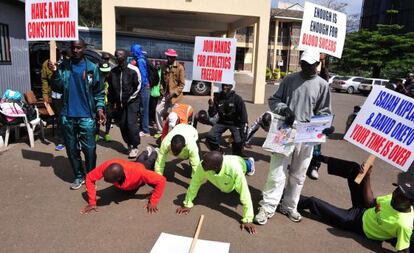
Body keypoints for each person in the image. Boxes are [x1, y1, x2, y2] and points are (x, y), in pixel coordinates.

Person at [254, 48, 331, 224]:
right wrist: (285, 109)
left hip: (307, 134)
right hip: (285, 130)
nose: (305, 68)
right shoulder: (289, 80)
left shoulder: (322, 85)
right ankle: (267, 207)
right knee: (276, 172)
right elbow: (274, 100)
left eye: (310, 65)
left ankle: (289, 206)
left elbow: (324, 111)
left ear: (317, 65)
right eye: (303, 64)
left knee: (298, 174)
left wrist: (325, 126)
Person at [298, 155, 414, 253]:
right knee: (355, 169)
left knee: (314, 202)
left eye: (399, 196)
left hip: (356, 223)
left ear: (410, 203)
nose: (394, 195)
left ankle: (284, 199)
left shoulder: (404, 224)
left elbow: (403, 250)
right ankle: (319, 158)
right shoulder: (392, 197)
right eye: (396, 190)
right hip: (365, 209)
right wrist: (367, 176)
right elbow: (370, 203)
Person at [49, 39, 106, 190]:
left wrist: (100, 109)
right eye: (73, 48)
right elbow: (57, 87)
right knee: (72, 149)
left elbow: (99, 91)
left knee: (90, 149)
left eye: (78, 48)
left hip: (87, 116)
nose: (75, 51)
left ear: (84, 49)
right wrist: (55, 73)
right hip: (68, 115)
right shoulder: (63, 67)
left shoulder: (92, 68)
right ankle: (79, 176)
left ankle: (91, 176)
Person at [176, 151, 257, 234]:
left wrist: (247, 219)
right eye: (203, 161)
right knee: (225, 189)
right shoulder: (203, 165)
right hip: (224, 168)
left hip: (240, 163)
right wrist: (187, 204)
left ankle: (249, 162)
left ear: (215, 167)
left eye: (205, 163)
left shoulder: (236, 170)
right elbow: (194, 183)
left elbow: (245, 194)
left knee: (247, 169)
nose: (202, 164)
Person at [81, 147, 166, 214]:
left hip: (141, 168)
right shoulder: (107, 165)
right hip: (134, 165)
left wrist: (153, 201)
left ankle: (155, 152)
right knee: (140, 158)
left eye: (110, 180)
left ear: (119, 178)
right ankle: (146, 151)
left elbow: (161, 180)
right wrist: (92, 202)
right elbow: (89, 178)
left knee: (150, 161)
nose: (104, 180)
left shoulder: (141, 173)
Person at [108, 49, 141, 158]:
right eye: (116, 55)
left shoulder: (133, 70)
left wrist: (129, 98)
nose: (118, 57)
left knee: (131, 123)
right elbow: (111, 90)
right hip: (120, 103)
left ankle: (135, 146)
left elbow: (138, 86)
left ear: (126, 57)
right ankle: (129, 143)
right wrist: (112, 104)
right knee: (122, 125)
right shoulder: (113, 72)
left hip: (132, 101)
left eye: (120, 55)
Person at [205, 83, 248, 156]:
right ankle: (218, 151)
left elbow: (244, 117)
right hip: (222, 122)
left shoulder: (237, 99)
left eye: (227, 85)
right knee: (210, 136)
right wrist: (211, 106)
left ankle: (238, 155)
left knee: (238, 142)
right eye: (223, 85)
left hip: (235, 123)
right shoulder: (217, 97)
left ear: (231, 86)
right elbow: (212, 114)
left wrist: (242, 131)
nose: (224, 87)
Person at [156, 48, 185, 131]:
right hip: (165, 94)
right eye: (168, 56)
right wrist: (161, 90)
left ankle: (173, 133)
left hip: (175, 97)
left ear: (175, 58)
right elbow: (161, 81)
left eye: (171, 57)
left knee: (174, 116)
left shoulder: (180, 68)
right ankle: (161, 131)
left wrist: (173, 93)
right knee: (158, 110)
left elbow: (182, 84)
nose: (169, 58)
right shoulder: (163, 66)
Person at [42, 49, 65, 151]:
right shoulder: (46, 64)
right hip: (55, 97)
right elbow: (44, 80)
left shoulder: (64, 63)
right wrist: (45, 95)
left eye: (56, 53)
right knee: (59, 118)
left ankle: (66, 139)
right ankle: (61, 139)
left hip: (66, 96)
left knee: (65, 118)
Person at [131, 44, 151, 137]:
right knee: (142, 109)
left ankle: (146, 130)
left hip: (144, 87)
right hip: (145, 87)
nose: (132, 53)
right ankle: (144, 128)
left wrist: (141, 87)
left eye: (133, 51)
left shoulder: (140, 60)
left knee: (144, 109)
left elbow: (143, 75)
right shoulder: (141, 58)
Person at [95, 62, 113, 142]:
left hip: (108, 101)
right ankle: (97, 134)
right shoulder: (97, 77)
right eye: (103, 71)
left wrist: (109, 92)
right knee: (97, 117)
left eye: (106, 72)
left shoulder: (111, 78)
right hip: (99, 101)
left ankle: (107, 133)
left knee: (109, 117)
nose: (105, 73)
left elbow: (115, 89)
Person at [150, 62, 162, 130]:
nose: (158, 65)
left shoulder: (161, 71)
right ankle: (153, 122)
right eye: (157, 64)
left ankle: (156, 121)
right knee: (153, 108)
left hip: (159, 93)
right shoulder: (153, 71)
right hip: (153, 93)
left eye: (159, 64)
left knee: (158, 109)